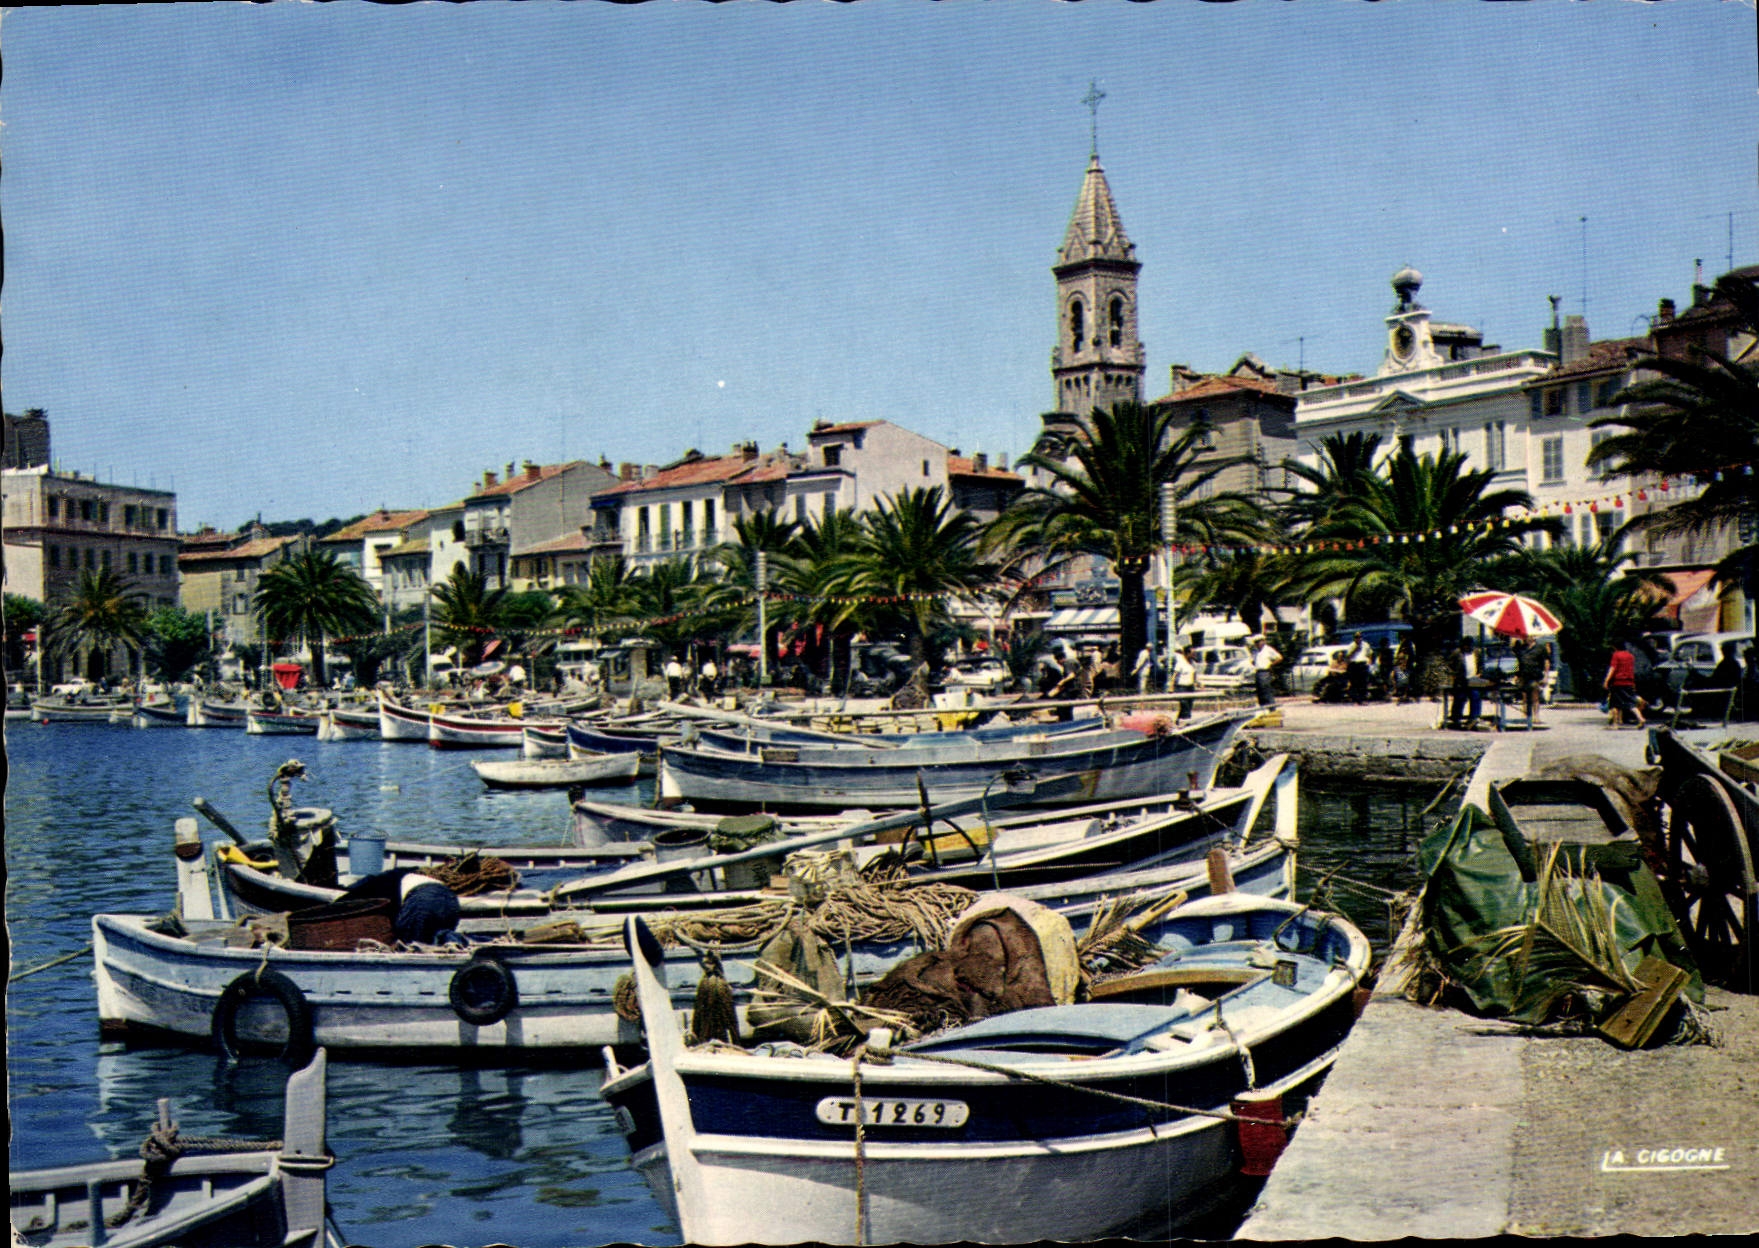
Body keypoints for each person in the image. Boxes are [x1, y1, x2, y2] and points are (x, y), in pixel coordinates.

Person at [339, 869, 463, 945]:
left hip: (422, 898)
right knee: (437, 933)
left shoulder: (380, 885)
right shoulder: (401, 877)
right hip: (451, 899)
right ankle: (456, 940)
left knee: (410, 943)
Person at [1604, 639, 1644, 729]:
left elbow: (1613, 669)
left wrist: (1606, 680)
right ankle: (1641, 718)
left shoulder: (1616, 655)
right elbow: (1631, 670)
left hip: (1618, 682)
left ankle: (1615, 724)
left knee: (1614, 704)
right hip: (1628, 682)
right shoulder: (1630, 656)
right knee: (1630, 703)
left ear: (1615, 647)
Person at [1446, 637, 1485, 728]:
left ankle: (1473, 718)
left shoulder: (1476, 652)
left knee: (1475, 696)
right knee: (1460, 698)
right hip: (1461, 681)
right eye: (1467, 646)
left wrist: (1480, 673)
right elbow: (1448, 666)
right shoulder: (1457, 653)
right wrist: (1453, 674)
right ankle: (1456, 718)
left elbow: (1481, 665)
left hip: (1473, 680)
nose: (1469, 648)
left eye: (1471, 646)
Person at [1515, 636, 1550, 727]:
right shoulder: (1521, 648)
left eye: (1529, 636)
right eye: (1526, 636)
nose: (1527, 638)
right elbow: (1517, 662)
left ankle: (1536, 716)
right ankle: (1526, 715)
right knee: (1525, 697)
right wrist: (1516, 675)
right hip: (1523, 675)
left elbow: (1546, 662)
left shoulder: (1540, 648)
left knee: (1535, 696)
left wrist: (1546, 676)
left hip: (1535, 675)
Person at [1250, 635, 1281, 708]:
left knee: (1266, 690)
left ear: (1263, 641)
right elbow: (1252, 661)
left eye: (1259, 642)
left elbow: (1279, 657)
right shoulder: (1255, 651)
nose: (1257, 644)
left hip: (1265, 671)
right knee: (1260, 692)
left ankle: (1271, 708)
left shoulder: (1268, 649)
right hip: (1258, 672)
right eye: (1256, 642)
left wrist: (1271, 664)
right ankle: (1263, 708)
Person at [1171, 644, 1197, 721]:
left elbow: (1193, 674)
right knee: (1185, 706)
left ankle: (1178, 721)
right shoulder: (1180, 663)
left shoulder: (1192, 664)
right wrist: (1171, 687)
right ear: (1187, 654)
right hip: (1182, 687)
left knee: (1189, 706)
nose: (1194, 655)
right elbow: (1174, 676)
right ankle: (1185, 721)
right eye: (1192, 654)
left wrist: (1197, 682)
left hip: (1190, 687)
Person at [1346, 631, 1373, 704]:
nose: (1358, 639)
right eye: (1356, 637)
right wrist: (1354, 650)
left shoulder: (1365, 645)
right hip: (1354, 664)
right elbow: (1348, 656)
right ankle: (1356, 699)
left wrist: (1369, 661)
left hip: (1363, 664)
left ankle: (1363, 698)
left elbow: (1370, 653)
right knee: (1355, 683)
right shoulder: (1351, 645)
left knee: (1363, 682)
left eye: (1359, 637)